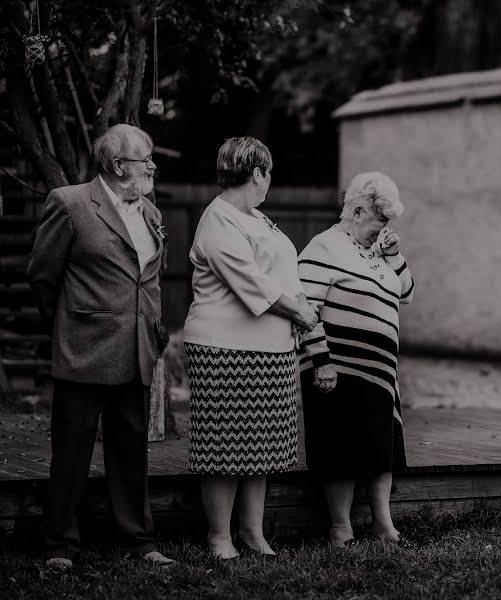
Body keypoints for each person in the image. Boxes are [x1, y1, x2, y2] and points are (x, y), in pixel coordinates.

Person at [27, 123, 175, 569]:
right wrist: (70, 326)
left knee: (132, 451)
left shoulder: (149, 211)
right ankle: (59, 546)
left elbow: (149, 275)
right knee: (71, 452)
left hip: (136, 350)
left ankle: (138, 541)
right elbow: (42, 274)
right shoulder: (70, 203)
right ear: (116, 165)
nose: (152, 165)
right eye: (144, 158)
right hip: (83, 349)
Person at [182, 137, 318, 559]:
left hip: (272, 349)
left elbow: (285, 271)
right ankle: (220, 535)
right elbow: (252, 285)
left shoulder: (258, 218)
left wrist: (302, 305)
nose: (269, 181)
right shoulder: (219, 221)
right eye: (268, 173)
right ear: (256, 172)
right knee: (225, 444)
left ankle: (253, 532)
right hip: (224, 348)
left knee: (260, 446)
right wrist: (299, 312)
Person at [297, 171, 415, 547]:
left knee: (383, 448)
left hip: (380, 373)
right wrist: (321, 360)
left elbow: (407, 292)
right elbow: (305, 308)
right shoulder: (323, 247)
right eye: (380, 220)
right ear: (358, 210)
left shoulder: (379, 251)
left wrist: (394, 255)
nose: (384, 228)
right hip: (336, 368)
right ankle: (340, 529)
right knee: (339, 449)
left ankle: (384, 525)